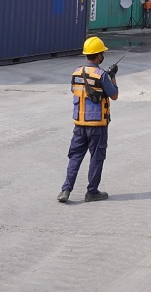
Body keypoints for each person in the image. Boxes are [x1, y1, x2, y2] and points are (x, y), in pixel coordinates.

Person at [59, 36, 119, 203]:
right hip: (97, 125)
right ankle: (92, 192)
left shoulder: (76, 72)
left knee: (75, 157)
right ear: (98, 55)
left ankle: (65, 190)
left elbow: (75, 91)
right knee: (96, 158)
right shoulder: (102, 75)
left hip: (79, 124)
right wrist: (112, 76)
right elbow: (114, 95)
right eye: (102, 53)